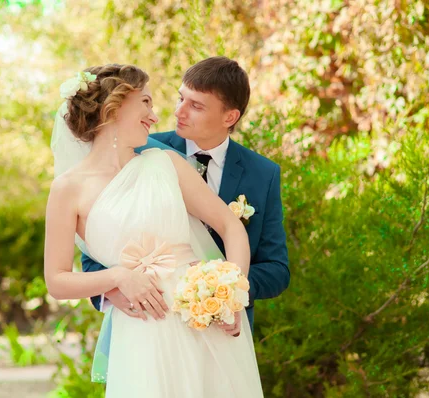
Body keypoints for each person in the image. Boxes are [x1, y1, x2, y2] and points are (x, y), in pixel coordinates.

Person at [45, 64, 264, 397]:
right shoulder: (67, 189)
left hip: (202, 318)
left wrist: (231, 296)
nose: (154, 113)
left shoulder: (166, 163)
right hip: (142, 328)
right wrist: (117, 277)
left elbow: (230, 226)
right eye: (145, 102)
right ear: (114, 107)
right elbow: (57, 280)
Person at [82, 56, 290, 331]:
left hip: (224, 328)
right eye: (181, 99)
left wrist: (227, 292)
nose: (179, 111)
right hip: (152, 321)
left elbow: (277, 269)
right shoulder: (140, 149)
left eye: (196, 106)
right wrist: (110, 288)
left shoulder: (262, 174)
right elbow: (97, 242)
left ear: (230, 116)